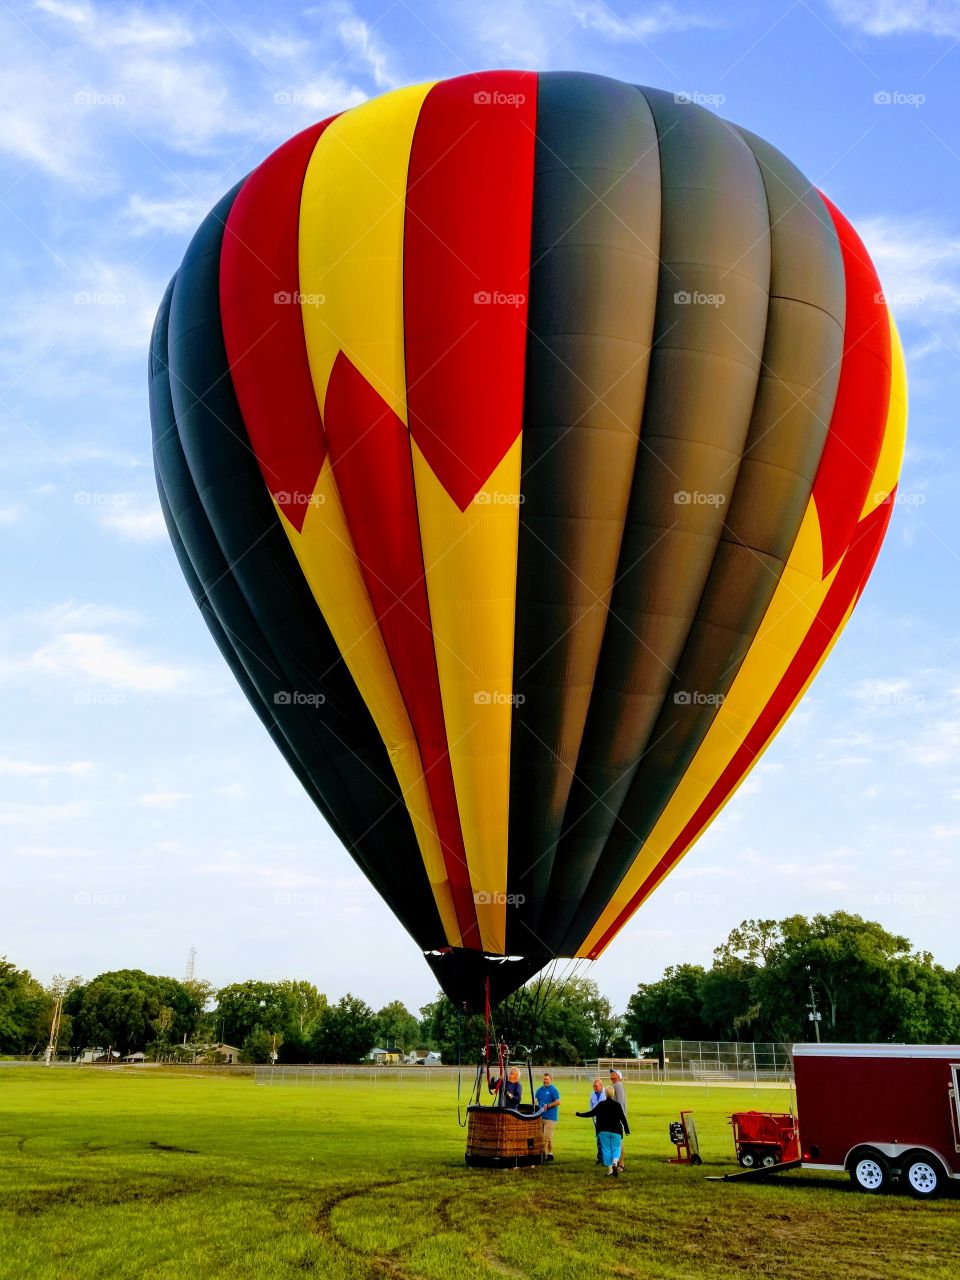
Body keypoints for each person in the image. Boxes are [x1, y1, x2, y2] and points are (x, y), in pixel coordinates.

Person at [577, 1086, 629, 1176]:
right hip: (616, 1131)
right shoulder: (617, 1105)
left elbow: (591, 1113)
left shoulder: (601, 1104)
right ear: (613, 1094)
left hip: (603, 1130)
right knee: (616, 1148)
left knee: (606, 1150)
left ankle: (610, 1171)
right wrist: (627, 1130)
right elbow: (623, 1118)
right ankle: (615, 1163)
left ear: (605, 1094)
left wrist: (579, 1114)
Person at [535, 1071, 561, 1161]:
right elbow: (535, 1100)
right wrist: (534, 1105)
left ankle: (542, 1154)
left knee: (546, 1137)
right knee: (546, 1137)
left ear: (550, 1080)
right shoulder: (539, 1090)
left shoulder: (553, 1090)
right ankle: (550, 1154)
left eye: (546, 1079)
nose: (545, 1081)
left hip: (551, 1117)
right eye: (544, 1079)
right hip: (541, 1116)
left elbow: (558, 1102)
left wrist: (548, 1106)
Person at [610, 1069, 628, 1170]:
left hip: (617, 1119)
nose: (611, 1074)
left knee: (619, 1141)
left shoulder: (618, 1085)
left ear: (618, 1076)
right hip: (613, 1119)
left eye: (613, 1073)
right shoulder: (614, 1085)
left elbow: (620, 1103)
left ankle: (621, 1164)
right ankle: (616, 1163)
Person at [588, 1076, 605, 1164]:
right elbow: (591, 1105)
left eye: (596, 1086)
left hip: (604, 1120)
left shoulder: (606, 1093)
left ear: (601, 1086)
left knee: (603, 1139)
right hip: (596, 1119)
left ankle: (604, 1158)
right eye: (593, 1086)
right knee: (598, 1139)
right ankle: (600, 1158)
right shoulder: (592, 1094)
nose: (594, 1088)